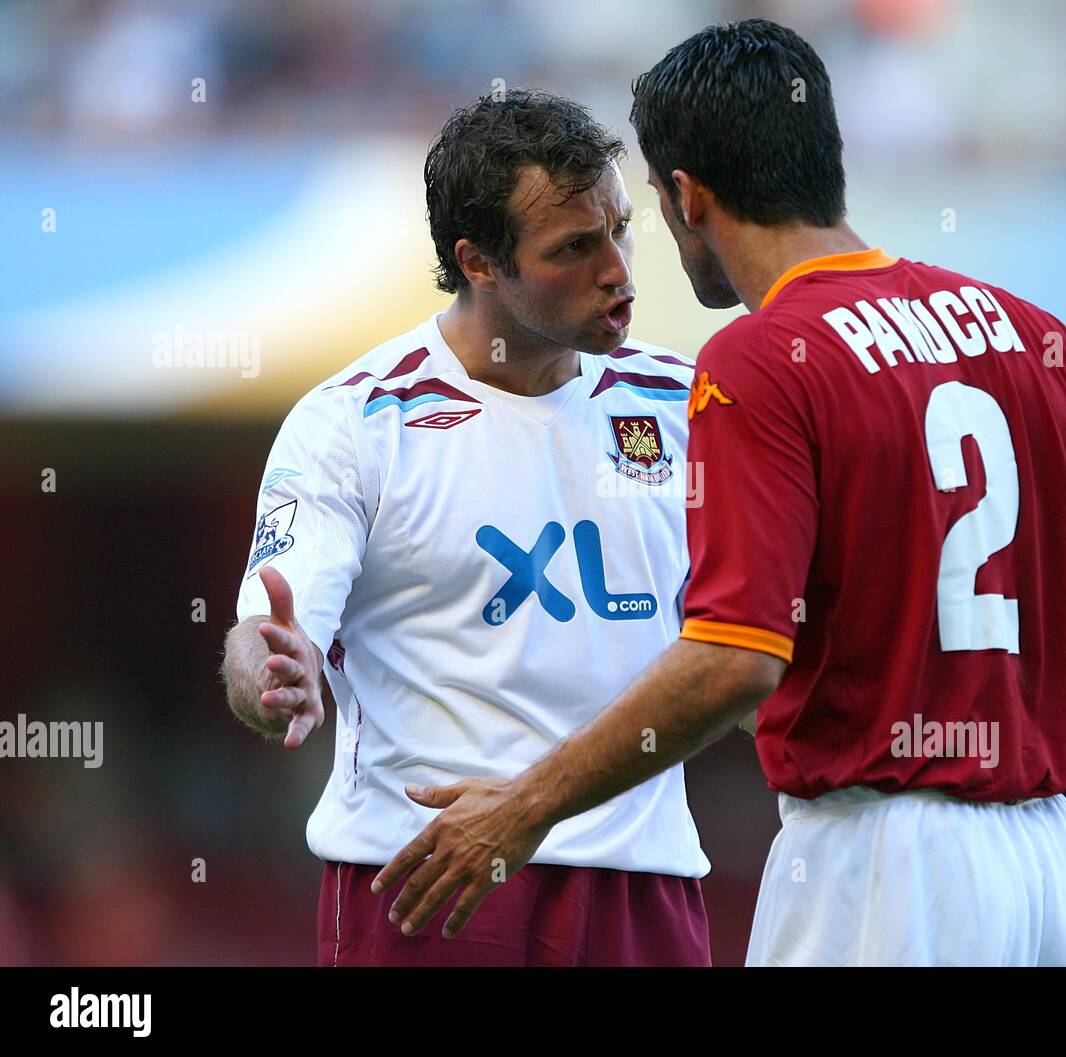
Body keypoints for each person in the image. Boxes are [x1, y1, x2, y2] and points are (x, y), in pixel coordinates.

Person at [372, 20, 1066, 967]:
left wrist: (522, 811)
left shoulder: (762, 359)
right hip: (1054, 864)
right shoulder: (1027, 330)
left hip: (882, 867)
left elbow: (735, 663)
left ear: (686, 196)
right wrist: (992, 636)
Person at [220, 89, 711, 967]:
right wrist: (272, 672)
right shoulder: (355, 421)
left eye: (621, 227)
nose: (621, 270)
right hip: (431, 882)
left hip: (641, 875)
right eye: (574, 247)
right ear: (478, 261)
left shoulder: (688, 404)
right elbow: (270, 627)